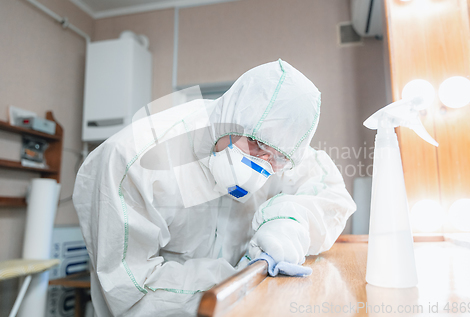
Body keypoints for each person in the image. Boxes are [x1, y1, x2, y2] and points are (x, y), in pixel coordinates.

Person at [73, 59, 356, 316]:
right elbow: (132, 289)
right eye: (256, 144)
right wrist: (237, 275)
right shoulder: (133, 161)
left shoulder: (282, 149)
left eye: (277, 157)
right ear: (231, 116)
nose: (263, 163)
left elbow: (328, 190)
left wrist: (290, 222)